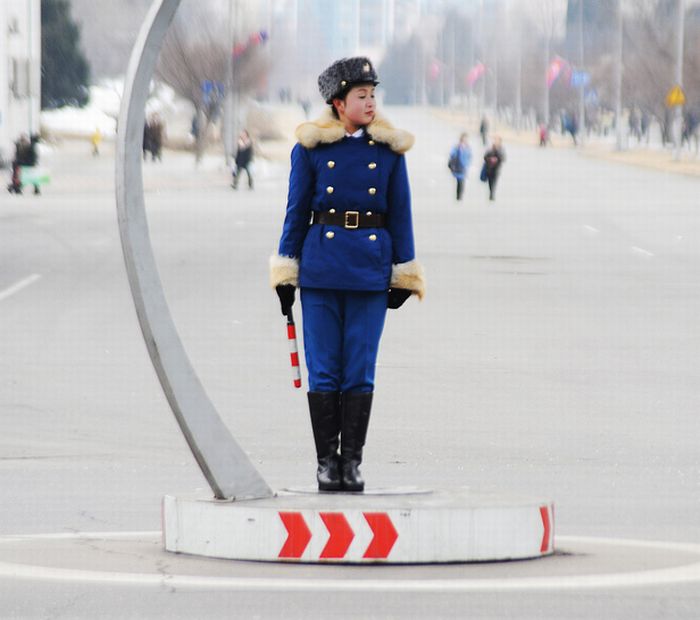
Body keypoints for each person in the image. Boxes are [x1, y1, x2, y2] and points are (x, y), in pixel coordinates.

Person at [269, 56, 425, 493]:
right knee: (324, 373)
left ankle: (351, 463)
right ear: (339, 102)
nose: (371, 102)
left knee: (359, 371)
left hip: (369, 272)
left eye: (373, 94)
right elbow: (296, 213)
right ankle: (325, 463)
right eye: (362, 95)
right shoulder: (310, 149)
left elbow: (401, 215)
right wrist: (285, 270)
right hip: (320, 272)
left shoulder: (390, 154)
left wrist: (404, 274)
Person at [448, 132, 472, 201]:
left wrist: (467, 163)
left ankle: (460, 195)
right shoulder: (457, 147)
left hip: (464, 166)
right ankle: (458, 195)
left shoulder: (467, 147)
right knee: (459, 181)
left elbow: (470, 156)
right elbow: (452, 154)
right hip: (458, 166)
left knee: (462, 181)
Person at [483, 136, 505, 202]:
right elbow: (485, 157)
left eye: (497, 141)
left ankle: (492, 194)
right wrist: (490, 159)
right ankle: (491, 192)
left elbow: (503, 158)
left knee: (494, 181)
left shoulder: (501, 149)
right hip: (489, 168)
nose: (496, 142)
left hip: (496, 169)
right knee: (490, 182)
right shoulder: (490, 149)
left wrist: (497, 156)